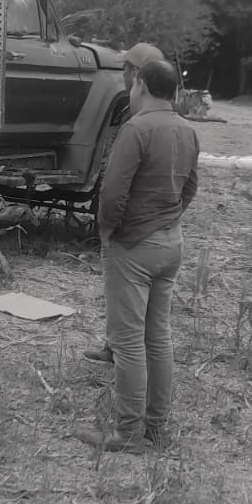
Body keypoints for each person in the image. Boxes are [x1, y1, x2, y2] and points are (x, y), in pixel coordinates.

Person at [78, 58, 199, 454]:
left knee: (127, 342)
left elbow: (113, 192)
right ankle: (155, 426)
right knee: (157, 337)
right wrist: (169, 217)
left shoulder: (136, 129)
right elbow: (190, 187)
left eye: (133, 84)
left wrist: (107, 230)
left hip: (133, 246)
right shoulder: (187, 130)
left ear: (142, 85)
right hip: (171, 243)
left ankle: (128, 432)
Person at [83, 40, 167, 364]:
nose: (123, 75)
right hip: (157, 226)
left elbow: (117, 187)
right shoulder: (167, 119)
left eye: (126, 69)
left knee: (126, 291)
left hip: (130, 227)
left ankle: (123, 352)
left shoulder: (138, 119)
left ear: (136, 74)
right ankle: (119, 346)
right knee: (140, 304)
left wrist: (108, 225)